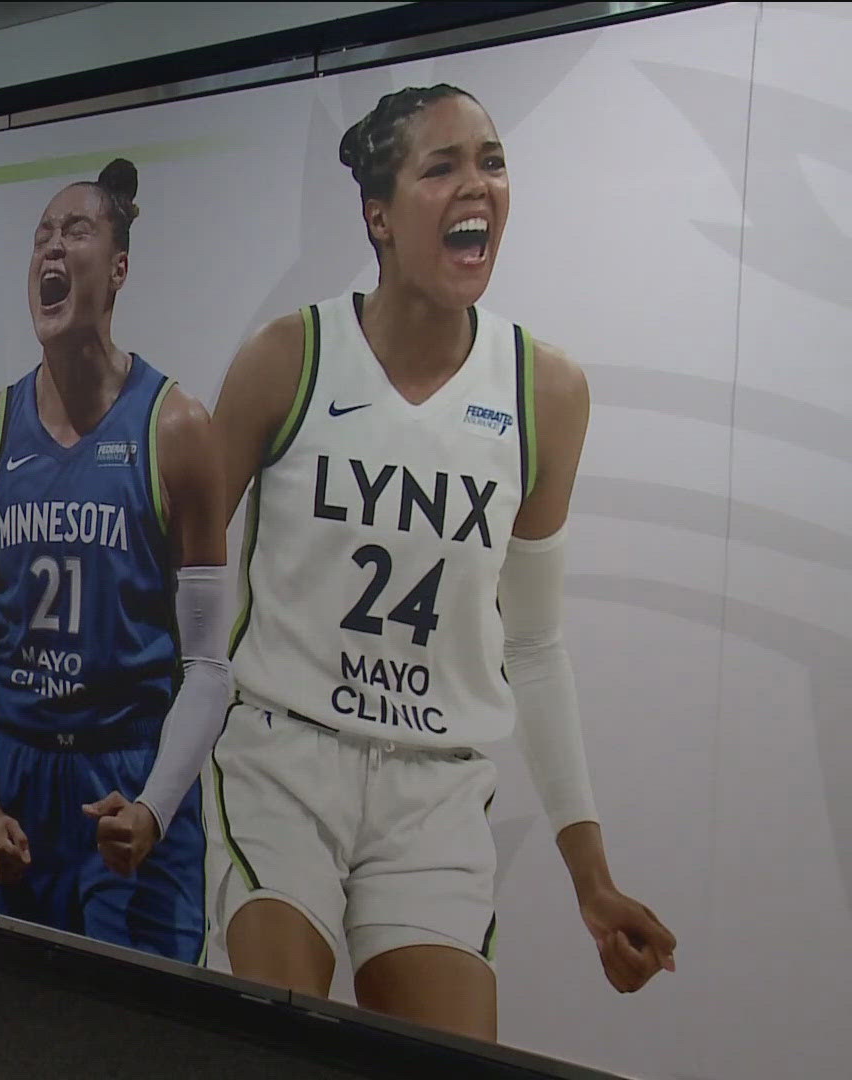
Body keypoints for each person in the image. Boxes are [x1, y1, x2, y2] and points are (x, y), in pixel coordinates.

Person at [207, 85, 678, 1038]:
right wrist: (151, 779)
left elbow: (535, 646)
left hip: (437, 787)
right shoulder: (288, 357)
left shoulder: (544, 390)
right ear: (377, 215)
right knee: (279, 1039)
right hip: (284, 761)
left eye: (493, 161)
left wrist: (591, 879)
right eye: (444, 166)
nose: (479, 185)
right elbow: (178, 580)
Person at [0, 159, 231, 962]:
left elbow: (208, 665)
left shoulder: (175, 426)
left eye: (76, 231)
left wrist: (155, 805)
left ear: (118, 270)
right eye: (41, 234)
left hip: (132, 772)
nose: (52, 246)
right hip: (26, 776)